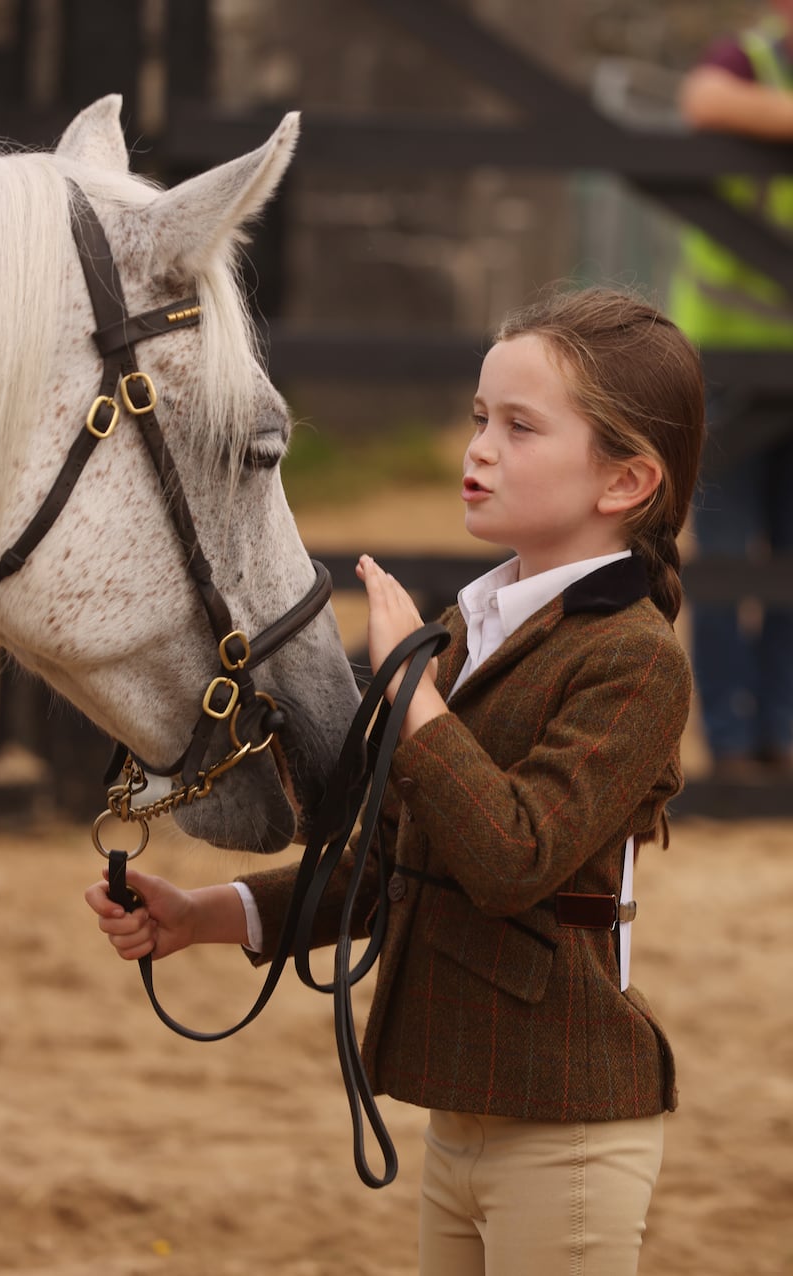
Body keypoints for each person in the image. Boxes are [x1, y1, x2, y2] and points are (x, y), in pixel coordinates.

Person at [85, 286, 705, 1276]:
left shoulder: (633, 661)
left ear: (624, 480)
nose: (479, 448)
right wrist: (201, 914)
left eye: (518, 426)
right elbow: (392, 868)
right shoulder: (467, 631)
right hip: (459, 1119)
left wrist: (411, 694)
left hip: (569, 1131)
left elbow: (512, 856)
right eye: (476, 418)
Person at [668, 1, 793, 776]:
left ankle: (780, 732)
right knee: (717, 555)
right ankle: (728, 735)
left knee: (788, 561)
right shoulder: (748, 59)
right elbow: (701, 99)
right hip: (728, 364)